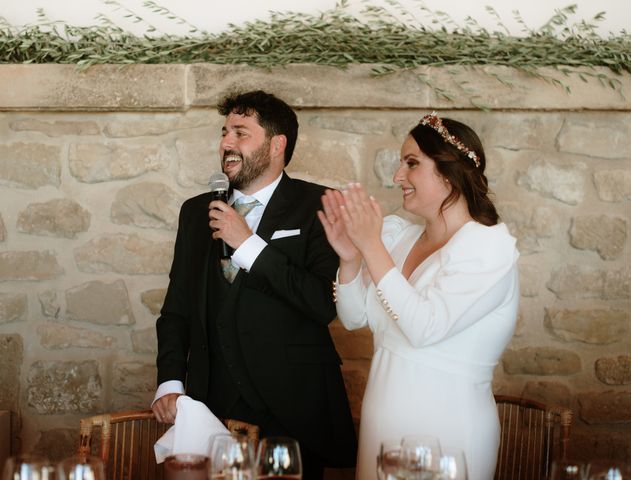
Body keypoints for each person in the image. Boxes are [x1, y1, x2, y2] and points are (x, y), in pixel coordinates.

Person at [153, 90, 357, 479]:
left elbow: (320, 302)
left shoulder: (321, 206)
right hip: (210, 406)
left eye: (241, 133)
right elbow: (177, 307)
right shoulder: (196, 212)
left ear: (277, 144)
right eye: (224, 132)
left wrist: (247, 244)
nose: (226, 143)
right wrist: (170, 381)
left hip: (293, 409)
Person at [318, 112, 519, 480]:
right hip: (381, 427)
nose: (397, 177)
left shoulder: (487, 248)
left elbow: (424, 327)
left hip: (448, 434)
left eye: (411, 163)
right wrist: (350, 259)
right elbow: (353, 318)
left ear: (449, 172)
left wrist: (370, 246)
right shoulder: (400, 237)